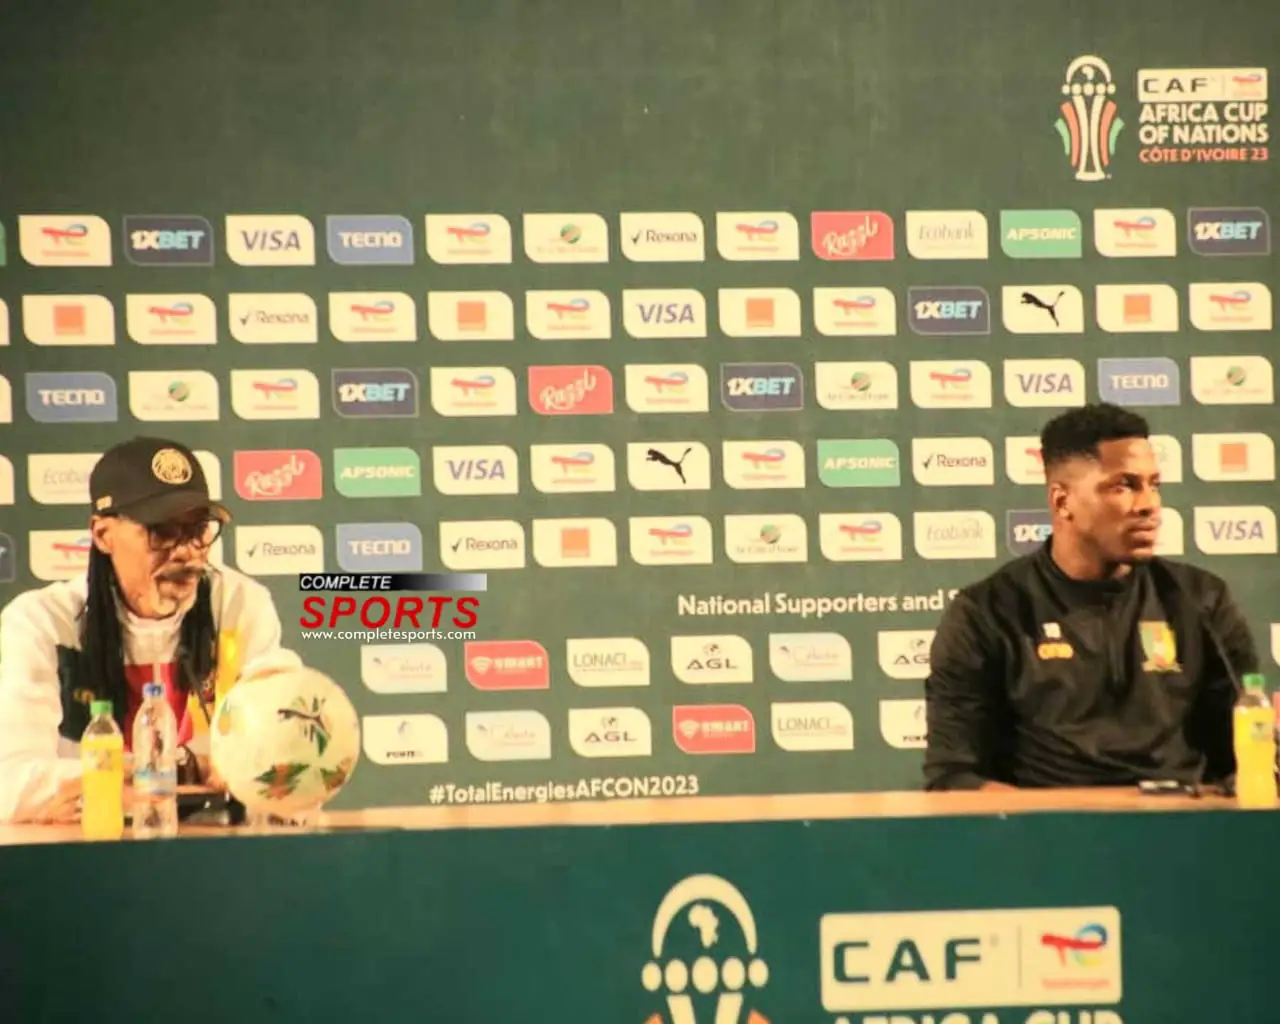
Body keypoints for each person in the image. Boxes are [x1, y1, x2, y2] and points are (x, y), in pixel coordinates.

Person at [924, 403, 1259, 791]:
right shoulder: (987, 611)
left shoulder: (1201, 599)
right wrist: (1044, 820)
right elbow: (954, 775)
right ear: (1062, 501)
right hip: (1048, 825)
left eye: (1154, 485)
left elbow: (1247, 753)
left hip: (1183, 821)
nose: (1149, 505)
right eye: (1123, 486)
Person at [0, 437, 303, 824]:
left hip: (213, 843)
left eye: (198, 530)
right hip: (87, 845)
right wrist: (163, 772)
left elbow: (287, 750)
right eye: (161, 531)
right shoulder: (43, 622)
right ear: (103, 535)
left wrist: (101, 782)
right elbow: (11, 783)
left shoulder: (239, 604)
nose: (186, 551)